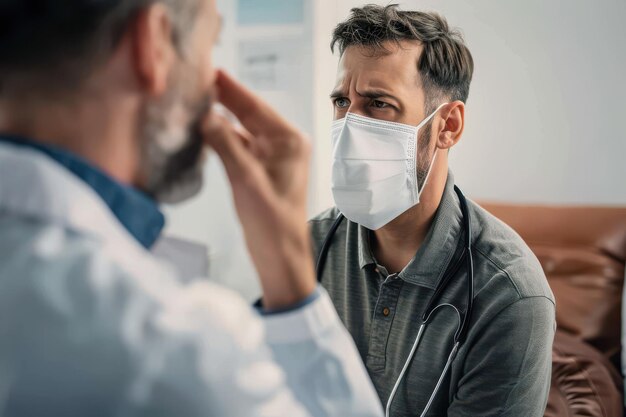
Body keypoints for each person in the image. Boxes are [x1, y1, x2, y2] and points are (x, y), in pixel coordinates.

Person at [0, 0, 384, 416]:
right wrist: (290, 278)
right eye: (210, 45)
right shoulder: (174, 351)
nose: (212, 87)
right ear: (155, 43)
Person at [310, 5, 556, 416]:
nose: (348, 128)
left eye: (378, 104)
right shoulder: (308, 246)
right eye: (341, 101)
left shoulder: (509, 296)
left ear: (448, 126)